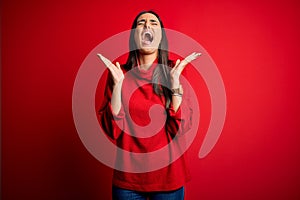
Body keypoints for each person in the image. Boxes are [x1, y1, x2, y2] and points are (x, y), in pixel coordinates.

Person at [97, 10, 200, 200]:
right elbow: (113, 131)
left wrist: (175, 85)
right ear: (134, 37)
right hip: (127, 182)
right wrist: (118, 86)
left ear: (160, 36)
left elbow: (180, 128)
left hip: (168, 181)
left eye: (153, 23)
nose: (147, 26)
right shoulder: (118, 74)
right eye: (141, 23)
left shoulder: (174, 71)